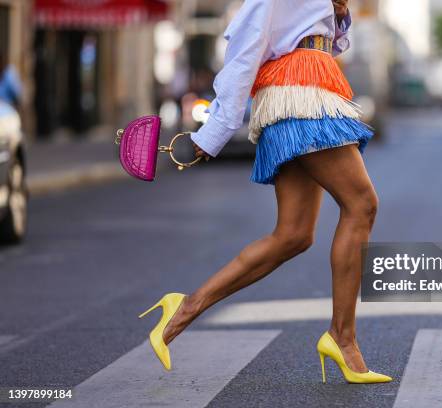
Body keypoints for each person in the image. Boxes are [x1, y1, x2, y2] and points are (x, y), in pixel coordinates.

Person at [139, 0, 392, 384]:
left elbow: (332, 40)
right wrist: (216, 130)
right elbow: (246, 45)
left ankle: (183, 309)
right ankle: (343, 338)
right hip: (300, 92)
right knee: (362, 205)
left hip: (306, 85)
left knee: (293, 236)